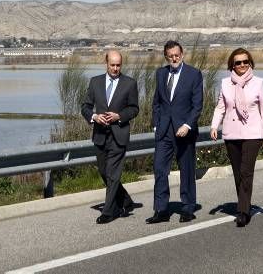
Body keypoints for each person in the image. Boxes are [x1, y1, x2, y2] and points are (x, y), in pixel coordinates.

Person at [210, 47, 263, 227]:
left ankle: (243, 211)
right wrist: (215, 125)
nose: (242, 65)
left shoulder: (258, 82)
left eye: (245, 61)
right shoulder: (225, 84)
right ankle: (244, 203)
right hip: (231, 134)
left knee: (246, 172)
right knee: (238, 173)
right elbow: (220, 107)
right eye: (238, 62)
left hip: (253, 134)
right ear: (232, 65)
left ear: (250, 63)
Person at [81, 50, 141, 224]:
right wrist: (94, 117)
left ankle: (109, 212)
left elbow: (134, 109)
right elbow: (85, 107)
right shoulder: (95, 82)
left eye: (118, 65)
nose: (115, 68)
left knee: (113, 174)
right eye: (112, 65)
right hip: (100, 135)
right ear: (106, 63)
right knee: (104, 172)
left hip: (119, 135)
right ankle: (126, 201)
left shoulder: (130, 83)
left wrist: (119, 116)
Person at [147, 40, 204, 224]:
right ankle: (161, 209)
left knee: (186, 170)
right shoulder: (160, 73)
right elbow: (157, 102)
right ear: (166, 56)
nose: (174, 58)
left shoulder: (194, 74)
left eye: (177, 55)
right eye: (170, 56)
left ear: (182, 54)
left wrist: (187, 125)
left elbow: (197, 105)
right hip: (164, 131)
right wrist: (156, 124)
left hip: (184, 131)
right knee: (159, 169)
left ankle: (187, 208)